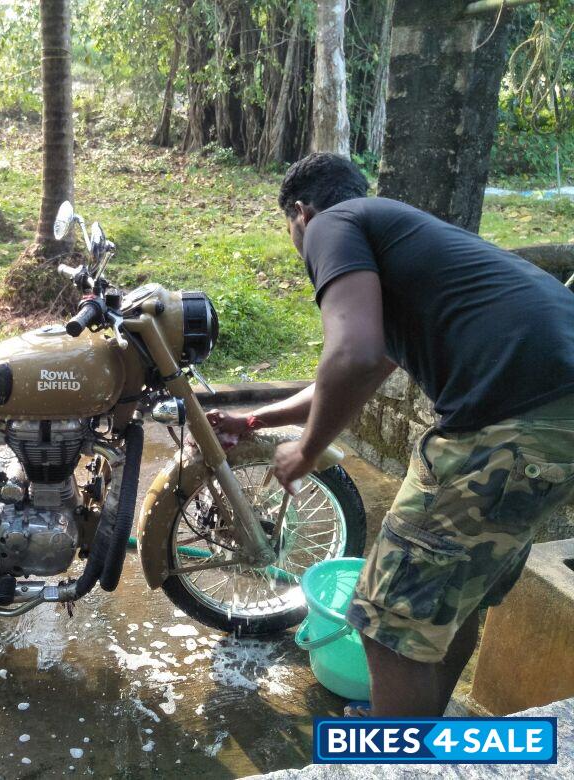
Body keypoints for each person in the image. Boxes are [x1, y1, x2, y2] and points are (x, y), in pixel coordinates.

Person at [208, 152, 574, 717]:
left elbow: (350, 355)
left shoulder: (333, 223)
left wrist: (305, 451)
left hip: (508, 421)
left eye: (290, 229)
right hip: (554, 420)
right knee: (449, 600)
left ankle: (391, 755)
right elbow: (366, 364)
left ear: (301, 213)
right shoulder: (402, 239)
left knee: (384, 620)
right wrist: (256, 421)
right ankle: (418, 739)